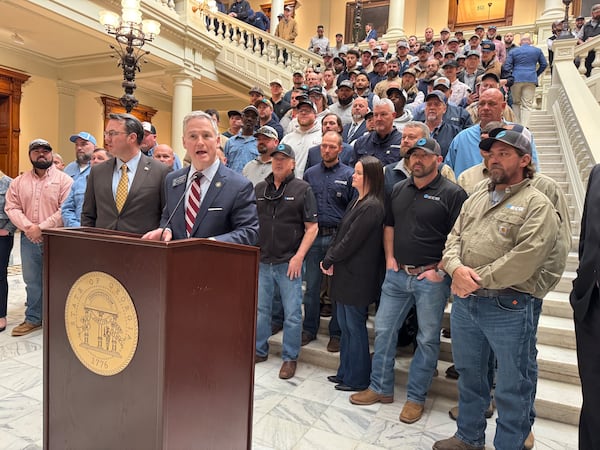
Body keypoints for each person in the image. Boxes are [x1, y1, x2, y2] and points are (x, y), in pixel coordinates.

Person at [434, 128, 560, 450]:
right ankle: (468, 437)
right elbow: (454, 238)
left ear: (525, 159)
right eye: (491, 153)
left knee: (512, 385)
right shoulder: (476, 195)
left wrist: (474, 277)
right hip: (466, 303)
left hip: (509, 305)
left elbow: (527, 256)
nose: (494, 159)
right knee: (471, 375)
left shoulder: (537, 202)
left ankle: (510, 444)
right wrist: (454, 267)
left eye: (504, 153)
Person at [349, 137, 467, 425]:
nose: (417, 160)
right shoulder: (399, 189)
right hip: (397, 275)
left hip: (431, 279)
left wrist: (440, 270)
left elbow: (461, 238)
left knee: (426, 339)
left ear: (438, 160)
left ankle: (416, 398)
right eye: (413, 155)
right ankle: (380, 387)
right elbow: (389, 225)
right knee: (384, 330)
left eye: (424, 156)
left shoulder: (453, 194)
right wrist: (390, 258)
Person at [142, 111, 258, 245]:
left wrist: (211, 244)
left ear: (218, 141)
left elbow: (249, 231)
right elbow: (168, 217)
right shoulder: (172, 180)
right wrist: (166, 230)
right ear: (184, 142)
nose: (200, 142)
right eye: (193, 136)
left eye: (206, 135)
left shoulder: (239, 185)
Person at [254, 143, 318, 379]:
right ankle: (259, 350)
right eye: (275, 158)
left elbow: (312, 228)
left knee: (292, 313)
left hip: (288, 263)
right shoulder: (260, 188)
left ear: (292, 163)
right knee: (261, 310)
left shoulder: (303, 189)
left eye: (284, 158)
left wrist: (299, 257)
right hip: (262, 261)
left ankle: (290, 358)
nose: (279, 162)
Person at [321, 155, 384, 391]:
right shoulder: (358, 200)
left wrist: (330, 257)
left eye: (357, 173)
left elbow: (351, 240)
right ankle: (345, 372)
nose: (353, 176)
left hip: (358, 276)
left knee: (354, 327)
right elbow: (341, 232)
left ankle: (357, 378)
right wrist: (331, 255)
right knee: (346, 326)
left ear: (369, 177)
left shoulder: (373, 206)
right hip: (346, 273)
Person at [5, 139, 73, 336]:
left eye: (46, 150)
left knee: (59, 279)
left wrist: (41, 228)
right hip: (29, 239)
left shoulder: (64, 181)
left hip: (57, 239)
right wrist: (30, 228)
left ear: (51, 154)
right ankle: (34, 318)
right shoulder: (19, 182)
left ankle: (59, 319)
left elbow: (65, 209)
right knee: (32, 280)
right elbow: (11, 207)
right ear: (30, 155)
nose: (41, 154)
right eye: (37, 151)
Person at [301, 131, 354, 351]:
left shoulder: (350, 175)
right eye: (324, 146)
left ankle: (336, 333)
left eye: (332, 146)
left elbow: (353, 209)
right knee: (312, 287)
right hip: (313, 237)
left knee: (337, 290)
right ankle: (309, 329)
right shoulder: (310, 174)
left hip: (337, 238)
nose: (327, 150)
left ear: (340, 149)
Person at [81, 113, 169, 234]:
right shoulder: (98, 171)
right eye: (106, 134)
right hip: (103, 247)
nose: (107, 139)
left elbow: (166, 216)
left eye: (112, 133)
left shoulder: (160, 172)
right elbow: (88, 215)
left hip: (143, 248)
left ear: (132, 137)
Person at [571, 163, 600, 450]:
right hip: (592, 304)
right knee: (592, 400)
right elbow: (587, 236)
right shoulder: (597, 173)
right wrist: (582, 284)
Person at [503, 33, 548, 128]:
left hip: (516, 79)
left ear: (520, 42)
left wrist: (510, 76)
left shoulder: (514, 51)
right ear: (531, 41)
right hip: (531, 79)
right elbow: (544, 64)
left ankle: (517, 125)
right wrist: (536, 74)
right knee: (527, 104)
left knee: (516, 103)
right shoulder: (537, 50)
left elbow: (507, 66)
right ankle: (525, 126)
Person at [62, 148, 111, 227]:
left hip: (104, 231)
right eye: (93, 158)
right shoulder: (78, 182)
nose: (95, 161)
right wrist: (77, 226)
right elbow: (67, 209)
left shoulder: (115, 183)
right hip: (79, 231)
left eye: (100, 158)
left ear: (110, 162)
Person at [350, 98, 402, 167]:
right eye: (376, 115)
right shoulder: (361, 142)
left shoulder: (402, 143)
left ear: (393, 116)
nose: (378, 119)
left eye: (383, 114)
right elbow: (352, 169)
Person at [0, 170, 16, 333]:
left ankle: (0, 315)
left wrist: (8, 230)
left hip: (1, 235)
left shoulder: (10, 183)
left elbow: (15, 208)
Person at [224, 105, 259, 173]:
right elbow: (224, 164)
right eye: (247, 116)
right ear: (242, 118)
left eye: (253, 117)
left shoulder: (259, 143)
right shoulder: (230, 142)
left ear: (257, 121)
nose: (249, 119)